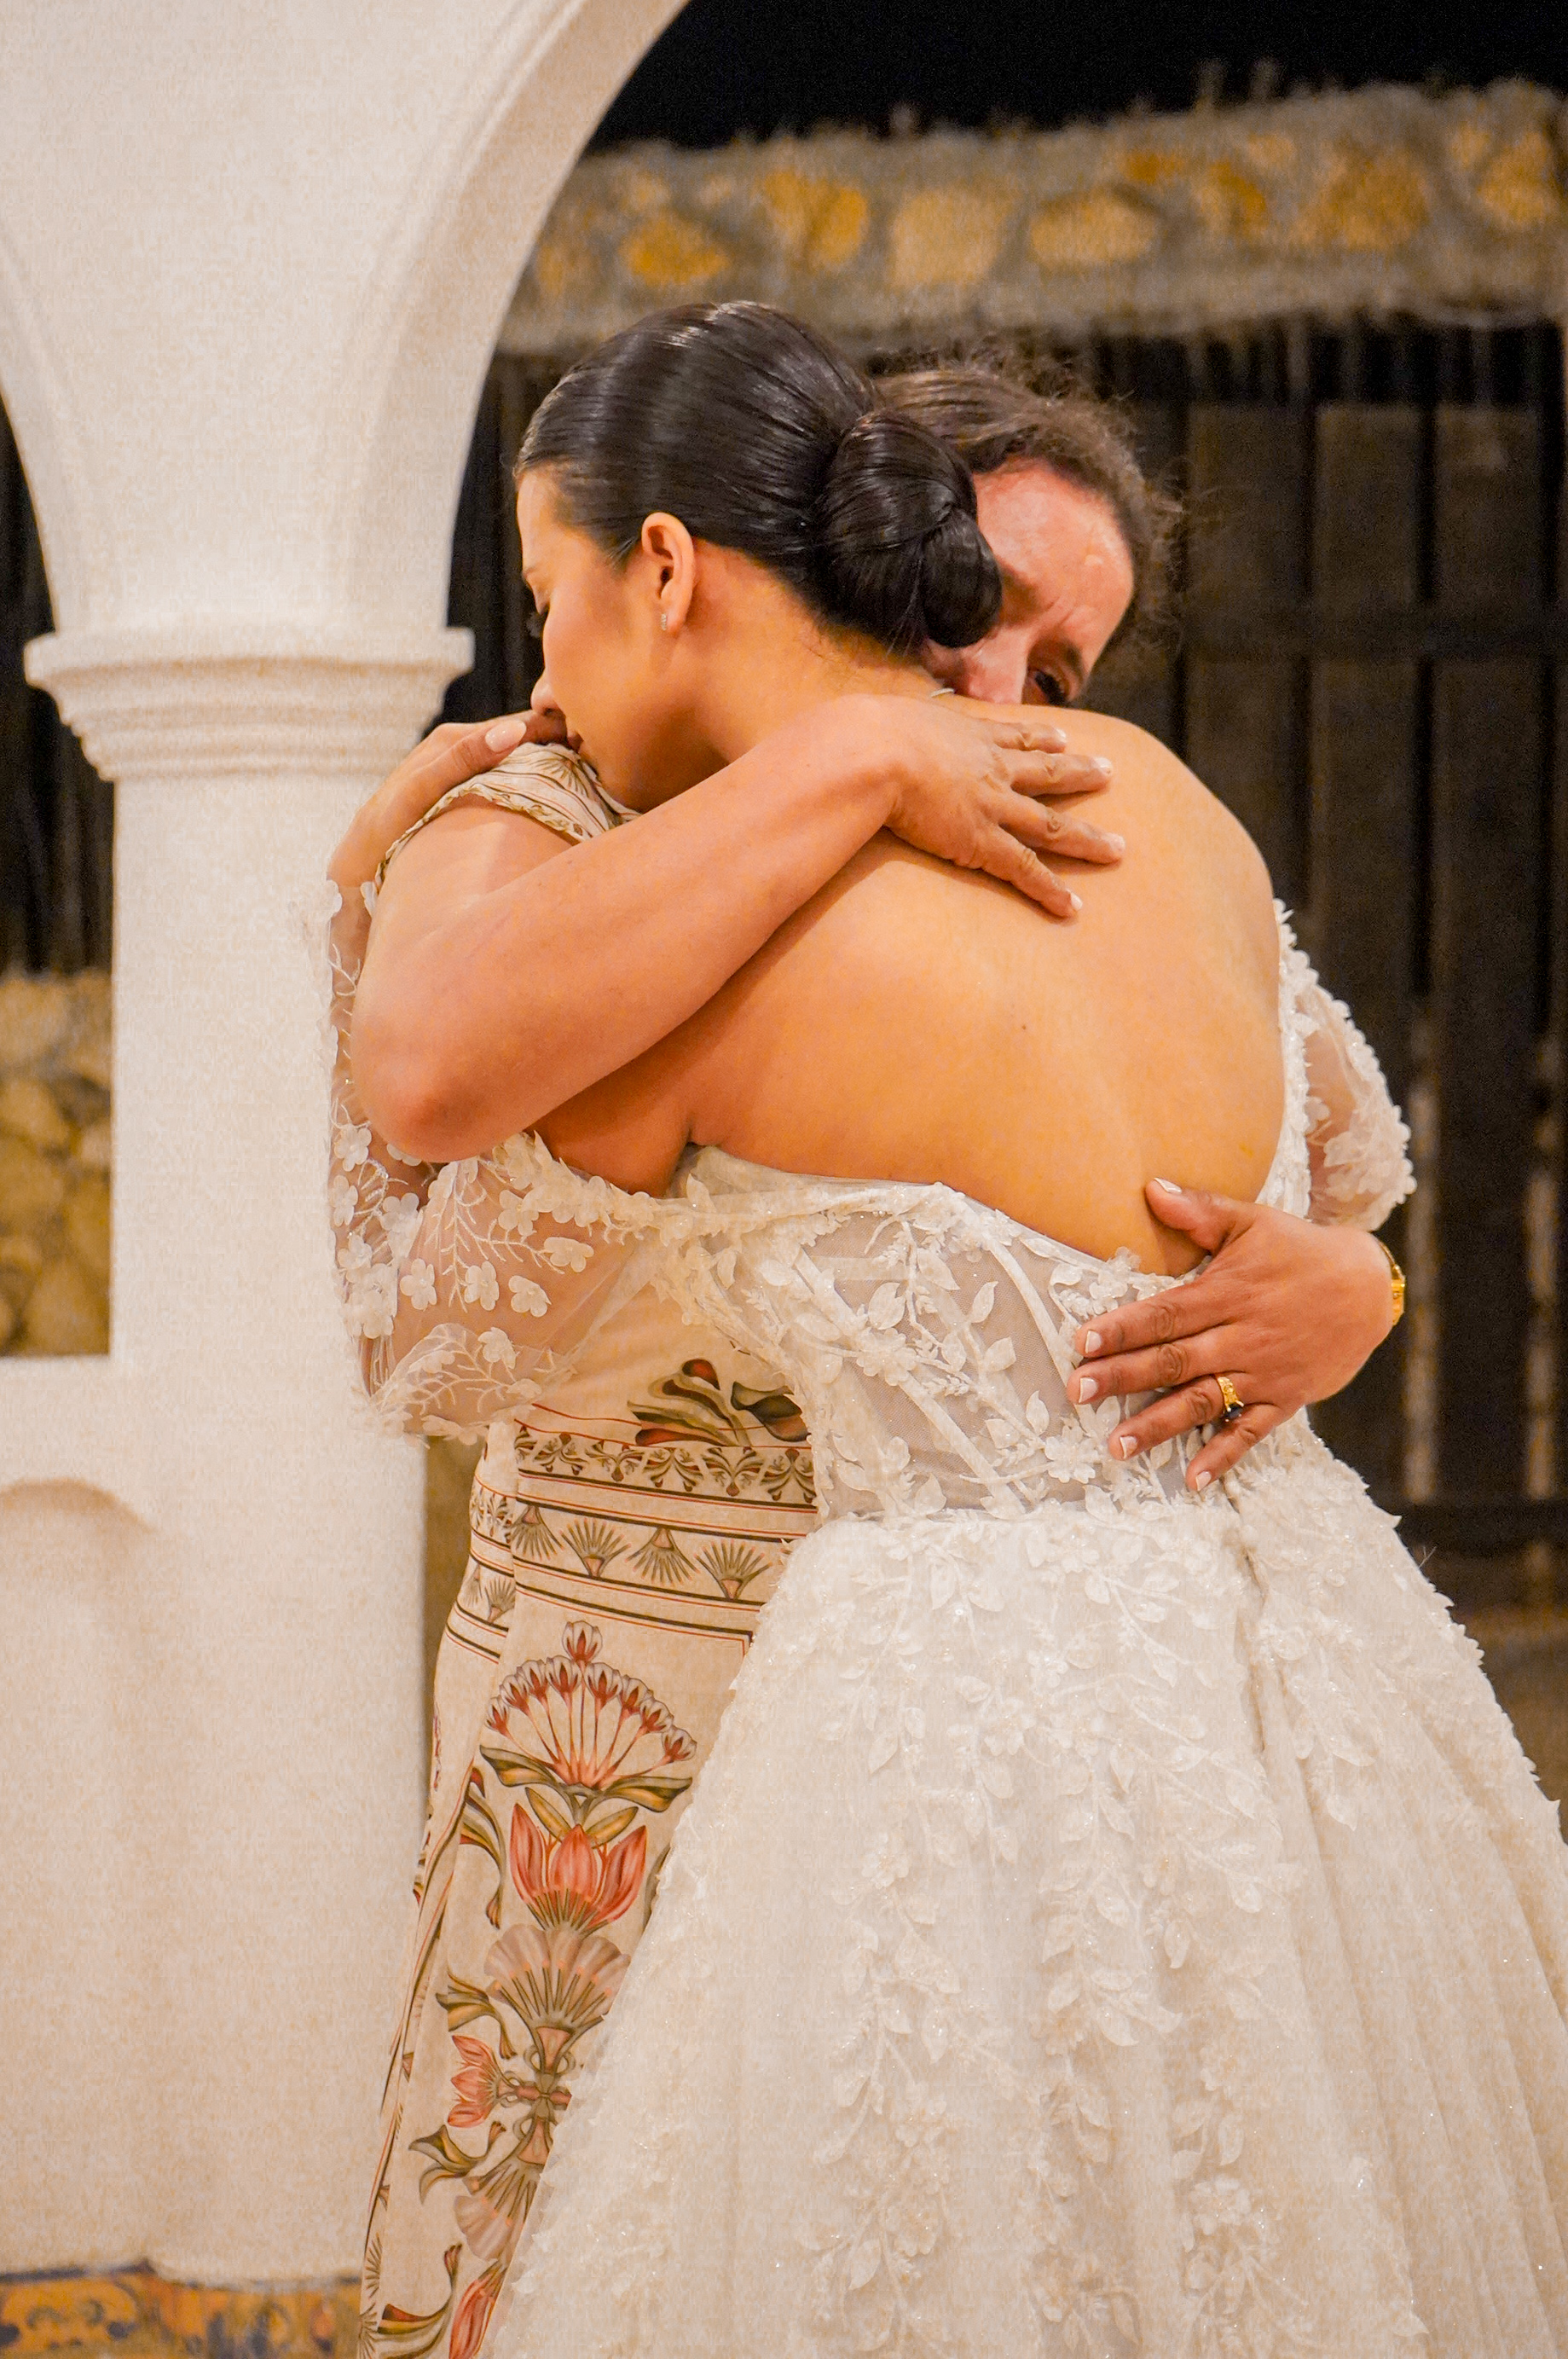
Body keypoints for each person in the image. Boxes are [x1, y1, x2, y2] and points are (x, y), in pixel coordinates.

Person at [329, 339, 1411, 2358]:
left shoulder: (1055, 823)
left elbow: (1315, 1166)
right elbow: (442, 1187)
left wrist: (1350, 1290)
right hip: (659, 1673)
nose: (994, 702)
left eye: (1057, 670)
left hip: (947, 1709)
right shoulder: (555, 808)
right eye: (963, 618)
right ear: (861, 542)